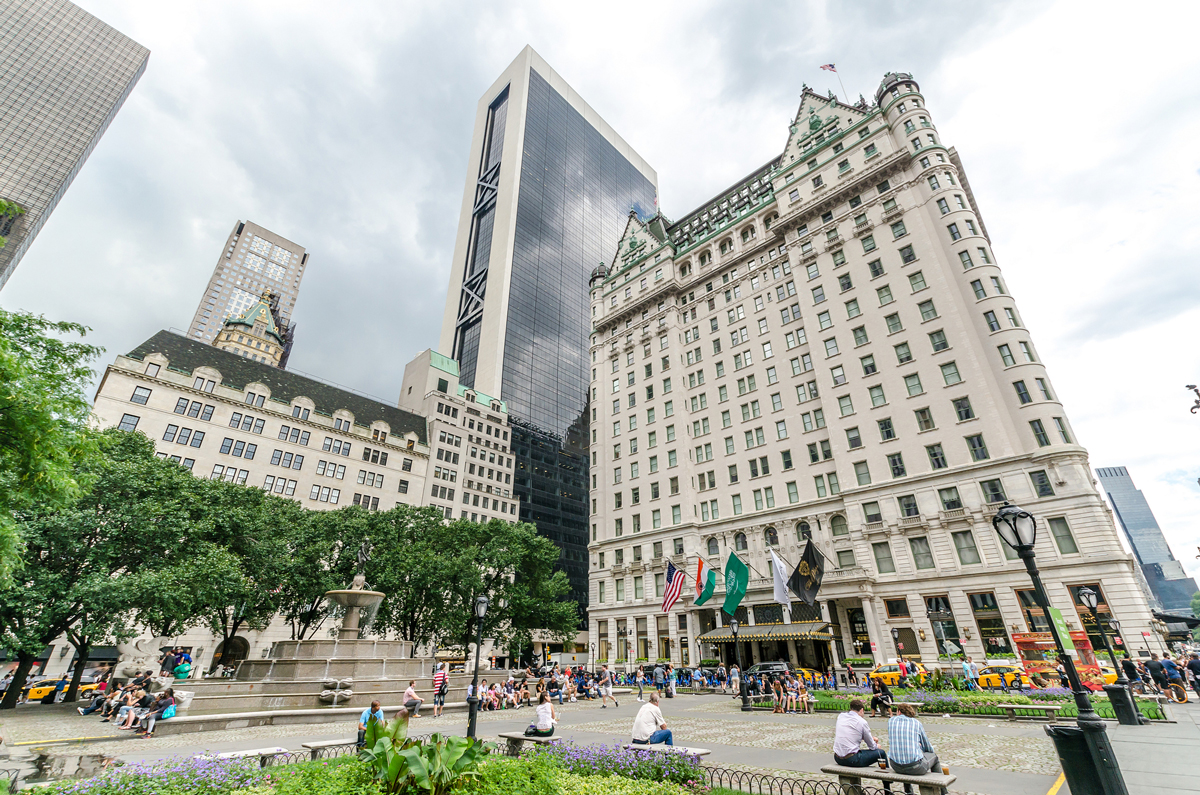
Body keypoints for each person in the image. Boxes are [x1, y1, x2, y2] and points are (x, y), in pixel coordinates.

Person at [887, 704, 940, 776]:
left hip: (895, 766)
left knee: (904, 758)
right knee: (934, 758)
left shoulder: (891, 721)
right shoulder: (916, 723)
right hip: (915, 767)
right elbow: (926, 746)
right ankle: (940, 785)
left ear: (899, 712)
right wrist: (921, 748)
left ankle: (907, 787)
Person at [833, 699, 887, 768]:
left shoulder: (841, 716)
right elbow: (872, 746)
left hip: (837, 758)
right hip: (852, 759)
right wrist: (877, 746)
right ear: (861, 710)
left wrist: (870, 738)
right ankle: (887, 778)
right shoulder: (861, 721)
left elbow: (852, 734)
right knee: (881, 753)